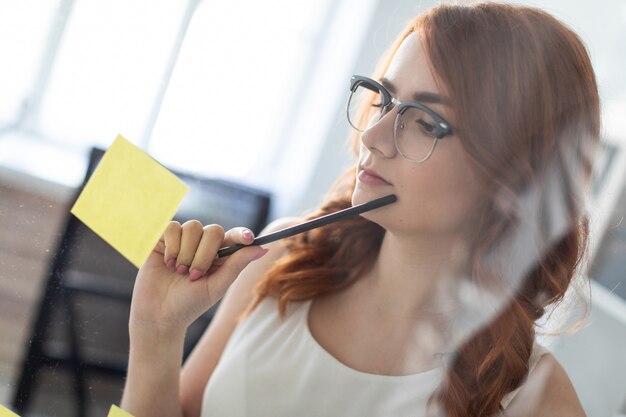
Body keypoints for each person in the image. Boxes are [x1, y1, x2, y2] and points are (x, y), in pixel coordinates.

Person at [121, 2, 599, 416]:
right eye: (385, 99)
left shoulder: (534, 398)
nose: (372, 137)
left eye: (426, 123)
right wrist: (156, 333)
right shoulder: (284, 256)